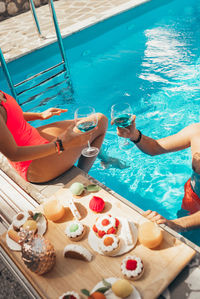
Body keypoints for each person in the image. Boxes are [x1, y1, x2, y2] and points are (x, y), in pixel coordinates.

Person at [114, 114, 200, 232]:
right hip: (193, 194)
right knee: (186, 234)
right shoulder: (197, 132)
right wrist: (134, 135)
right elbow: (155, 148)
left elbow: (179, 225)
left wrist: (176, 224)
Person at [0, 90, 108, 183]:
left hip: (34, 137)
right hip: (32, 163)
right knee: (101, 120)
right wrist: (61, 144)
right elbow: (13, 154)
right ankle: (81, 178)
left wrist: (40, 115)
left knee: (92, 124)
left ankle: (102, 159)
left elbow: (10, 114)